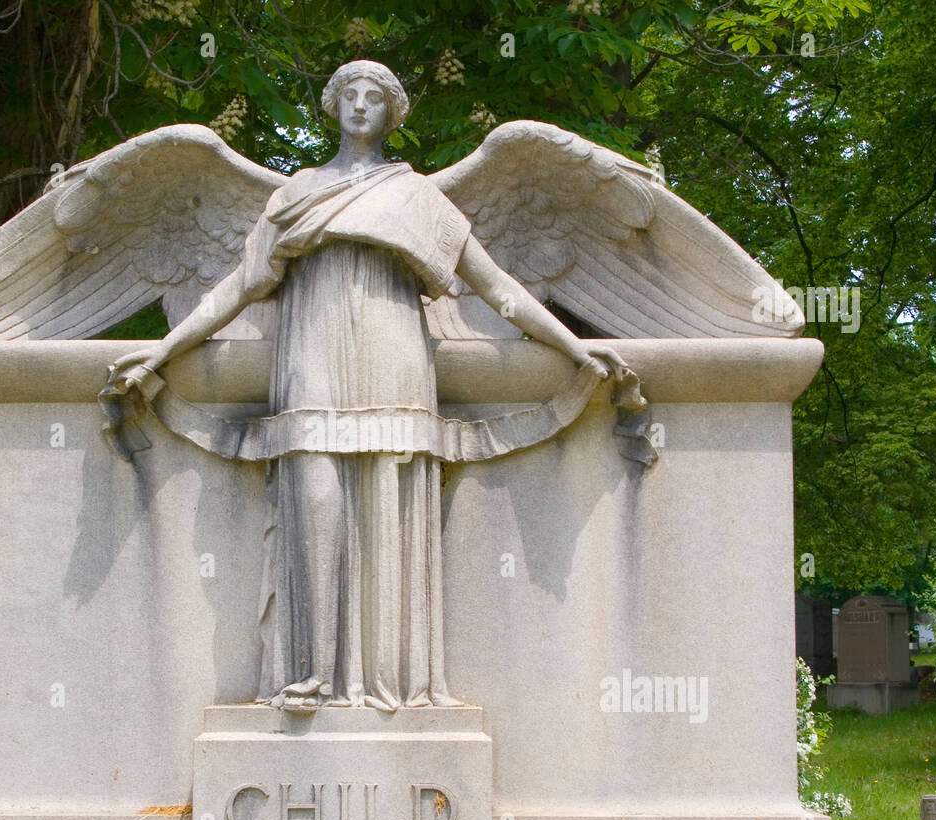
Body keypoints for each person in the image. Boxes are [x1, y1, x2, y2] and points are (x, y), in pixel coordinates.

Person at [103, 61, 625, 710]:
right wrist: (161, 352)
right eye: (346, 92)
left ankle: (393, 682)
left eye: (373, 95)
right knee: (312, 498)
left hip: (394, 362)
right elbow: (236, 289)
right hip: (311, 364)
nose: (358, 103)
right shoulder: (295, 195)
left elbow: (499, 290)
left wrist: (576, 347)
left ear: (393, 111)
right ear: (330, 105)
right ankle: (311, 672)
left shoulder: (421, 199)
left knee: (389, 506)